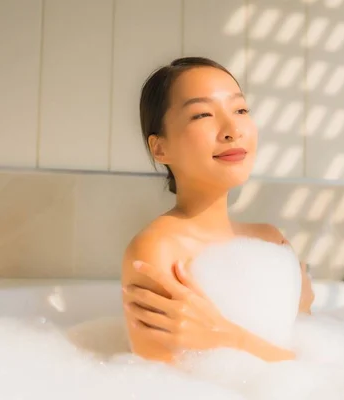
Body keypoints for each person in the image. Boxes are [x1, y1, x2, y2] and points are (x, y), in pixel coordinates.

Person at [120, 57, 315, 364]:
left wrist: (226, 336)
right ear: (160, 149)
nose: (232, 129)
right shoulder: (157, 250)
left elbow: (313, 360)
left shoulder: (271, 241)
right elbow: (155, 385)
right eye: (202, 114)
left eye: (240, 110)